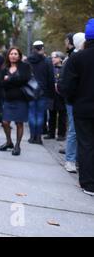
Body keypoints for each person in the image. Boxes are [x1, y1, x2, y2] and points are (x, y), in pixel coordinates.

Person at [59, 19, 94, 196]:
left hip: (83, 108)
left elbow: (67, 86)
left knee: (86, 144)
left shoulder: (77, 58)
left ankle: (88, 184)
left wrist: (72, 100)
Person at [58, 32, 86, 173]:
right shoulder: (73, 58)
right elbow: (65, 82)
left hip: (79, 99)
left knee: (78, 131)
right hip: (73, 100)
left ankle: (76, 159)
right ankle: (70, 160)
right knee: (74, 130)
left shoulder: (78, 56)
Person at [0, 47, 32, 155]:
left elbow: (25, 79)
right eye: (11, 53)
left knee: (19, 123)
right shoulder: (4, 68)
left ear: (19, 56)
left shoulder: (25, 66)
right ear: (8, 55)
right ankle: (9, 142)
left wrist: (9, 79)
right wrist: (12, 81)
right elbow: (0, 83)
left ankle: (17, 145)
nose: (13, 55)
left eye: (15, 54)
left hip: (21, 99)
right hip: (8, 99)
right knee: (5, 122)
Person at [27, 41, 54, 144]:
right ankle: (38, 137)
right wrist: (51, 94)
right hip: (43, 91)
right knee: (40, 115)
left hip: (30, 90)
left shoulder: (28, 61)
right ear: (42, 48)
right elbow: (51, 78)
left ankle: (32, 136)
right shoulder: (47, 61)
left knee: (31, 114)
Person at [45, 51, 67, 141]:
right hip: (52, 95)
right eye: (52, 57)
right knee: (51, 114)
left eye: (55, 57)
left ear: (60, 58)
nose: (52, 59)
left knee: (62, 115)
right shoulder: (50, 68)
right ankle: (51, 133)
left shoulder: (65, 69)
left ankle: (61, 134)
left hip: (61, 95)